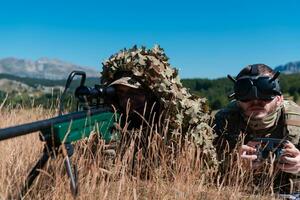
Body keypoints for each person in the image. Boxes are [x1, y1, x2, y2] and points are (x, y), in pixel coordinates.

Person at [100, 45, 217, 169]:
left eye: (134, 93)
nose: (127, 101)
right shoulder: (116, 120)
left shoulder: (181, 121)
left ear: (151, 95)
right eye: (121, 93)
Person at [213, 64, 300, 195]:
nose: (255, 100)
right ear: (237, 99)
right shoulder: (222, 122)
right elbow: (202, 166)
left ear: (279, 98)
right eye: (245, 92)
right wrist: (232, 164)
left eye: (265, 91)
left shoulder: (297, 119)